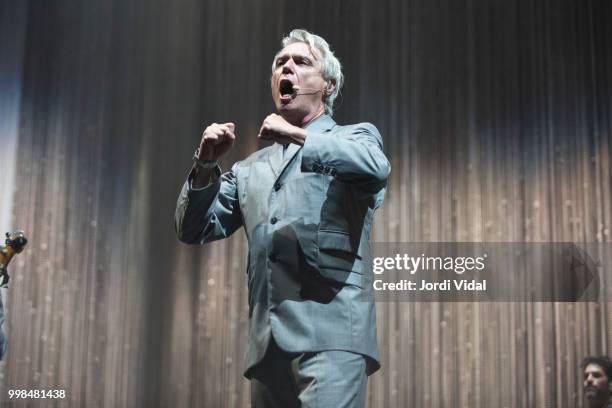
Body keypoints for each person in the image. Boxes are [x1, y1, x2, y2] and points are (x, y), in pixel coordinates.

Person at [175, 29, 390, 407]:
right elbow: (194, 228)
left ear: (328, 84)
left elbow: (375, 169)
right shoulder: (249, 168)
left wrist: (294, 135)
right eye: (279, 64)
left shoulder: (355, 137)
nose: (286, 68)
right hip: (267, 343)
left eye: (301, 62)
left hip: (332, 334)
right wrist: (206, 162)